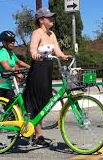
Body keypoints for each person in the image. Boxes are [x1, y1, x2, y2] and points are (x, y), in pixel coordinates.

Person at [23, 8, 71, 146]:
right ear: (41, 20)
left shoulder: (52, 34)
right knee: (35, 101)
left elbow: (57, 51)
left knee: (44, 101)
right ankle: (37, 134)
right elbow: (32, 48)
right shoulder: (37, 33)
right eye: (49, 17)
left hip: (47, 69)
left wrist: (64, 56)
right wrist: (34, 54)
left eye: (52, 17)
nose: (52, 19)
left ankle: (35, 132)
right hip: (38, 69)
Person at [0, 30, 30, 137]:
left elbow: (19, 62)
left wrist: (31, 67)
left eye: (13, 40)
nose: (12, 43)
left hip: (7, 84)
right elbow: (7, 67)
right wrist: (17, 74)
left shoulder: (11, 53)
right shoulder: (1, 53)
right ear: (4, 42)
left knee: (14, 105)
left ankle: (12, 125)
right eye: (9, 41)